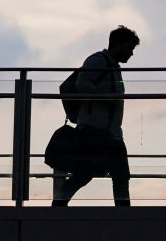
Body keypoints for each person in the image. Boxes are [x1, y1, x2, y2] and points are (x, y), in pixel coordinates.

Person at [52, 25, 140, 206]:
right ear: (118, 44)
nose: (131, 53)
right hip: (95, 130)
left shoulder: (114, 68)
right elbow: (82, 83)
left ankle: (123, 213)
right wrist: (106, 98)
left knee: (119, 174)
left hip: (111, 132)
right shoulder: (98, 61)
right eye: (130, 48)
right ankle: (59, 203)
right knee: (87, 173)